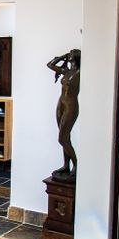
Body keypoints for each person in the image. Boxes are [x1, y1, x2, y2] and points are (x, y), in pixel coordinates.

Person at [46, 49, 81, 180]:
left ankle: (76, 165)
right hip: (61, 103)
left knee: (62, 139)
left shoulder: (80, 72)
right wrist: (62, 57)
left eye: (72, 53)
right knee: (65, 137)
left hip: (71, 106)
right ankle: (66, 165)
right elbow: (50, 65)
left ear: (76, 57)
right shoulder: (67, 71)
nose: (69, 54)